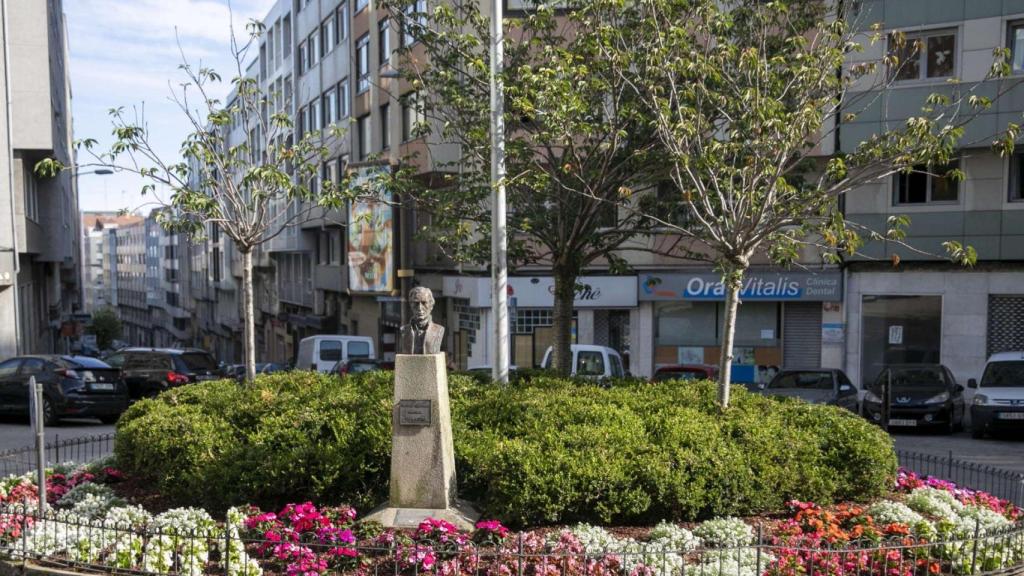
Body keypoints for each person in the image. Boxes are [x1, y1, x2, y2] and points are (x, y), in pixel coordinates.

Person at [399, 287, 445, 354]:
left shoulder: (439, 330)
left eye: (424, 303)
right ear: (411, 305)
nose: (420, 308)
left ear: (431, 305)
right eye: (416, 303)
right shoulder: (404, 331)